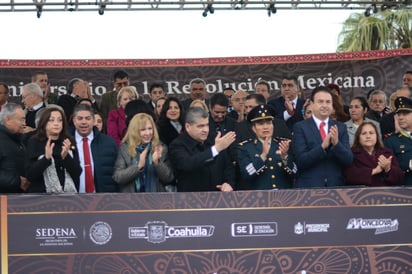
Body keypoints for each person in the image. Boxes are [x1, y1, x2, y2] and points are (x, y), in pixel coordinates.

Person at [292, 86, 353, 188]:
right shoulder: (300, 127)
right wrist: (322, 147)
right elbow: (300, 161)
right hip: (308, 188)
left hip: (335, 188)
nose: (325, 105)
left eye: (328, 102)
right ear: (312, 104)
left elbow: (348, 160)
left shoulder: (340, 127)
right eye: (320, 102)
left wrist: (337, 144)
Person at [169, 107, 236, 192]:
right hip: (191, 200)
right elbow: (188, 164)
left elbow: (228, 167)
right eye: (200, 126)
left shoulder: (214, 139)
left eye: (207, 125)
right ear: (188, 126)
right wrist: (215, 149)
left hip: (219, 198)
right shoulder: (177, 145)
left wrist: (229, 183)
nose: (205, 130)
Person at [237, 104, 296, 190]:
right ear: (254, 128)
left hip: (284, 197)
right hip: (259, 198)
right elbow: (246, 174)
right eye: (261, 124)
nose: (265, 127)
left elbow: (295, 172)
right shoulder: (245, 147)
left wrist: (285, 158)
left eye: (268, 123)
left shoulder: (283, 144)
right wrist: (263, 156)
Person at [113, 113, 175, 192]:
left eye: (150, 128)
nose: (148, 133)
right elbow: (118, 177)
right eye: (143, 130)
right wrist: (138, 167)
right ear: (134, 131)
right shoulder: (125, 148)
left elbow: (169, 178)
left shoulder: (160, 147)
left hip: (156, 200)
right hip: (131, 200)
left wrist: (157, 163)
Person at [25, 107, 82, 193]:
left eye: (60, 120)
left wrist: (66, 157)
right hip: (41, 196)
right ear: (44, 123)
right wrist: (46, 159)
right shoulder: (34, 141)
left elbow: (77, 173)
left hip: (68, 196)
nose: (56, 123)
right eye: (51, 120)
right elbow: (30, 175)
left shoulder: (68, 141)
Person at [71, 104, 119, 192]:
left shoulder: (109, 143)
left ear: (93, 121)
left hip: (103, 200)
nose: (84, 122)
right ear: (74, 120)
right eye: (80, 118)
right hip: (73, 200)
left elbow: (117, 173)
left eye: (88, 118)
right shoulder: (66, 142)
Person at [344, 122, 403, 186]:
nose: (368, 136)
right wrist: (374, 171)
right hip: (363, 194)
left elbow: (399, 177)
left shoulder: (387, 153)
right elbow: (349, 176)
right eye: (364, 133)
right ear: (358, 138)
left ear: (377, 136)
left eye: (371, 133)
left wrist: (388, 168)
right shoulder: (352, 154)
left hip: (386, 194)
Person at [0, 103, 29, 193]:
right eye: (21, 120)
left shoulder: (16, 139)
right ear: (7, 119)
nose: (24, 124)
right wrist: (18, 181)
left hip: (17, 199)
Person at [383, 97, 412, 186]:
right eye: (399, 114)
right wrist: (409, 164)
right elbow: (390, 169)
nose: (401, 117)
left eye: (405, 114)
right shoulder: (390, 140)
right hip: (404, 190)